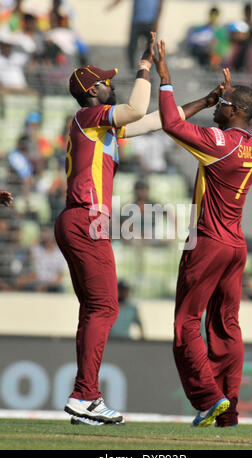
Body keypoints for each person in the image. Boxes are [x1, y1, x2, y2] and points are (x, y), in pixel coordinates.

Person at [152, 39, 252, 427]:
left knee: (186, 323)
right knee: (227, 325)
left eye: (223, 104)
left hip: (209, 243)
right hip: (236, 246)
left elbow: (171, 124)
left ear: (235, 110)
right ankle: (228, 410)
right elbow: (217, 135)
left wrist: (166, 79)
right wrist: (212, 96)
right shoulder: (251, 147)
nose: (218, 106)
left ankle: (207, 398)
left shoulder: (221, 145)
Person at [54, 32, 156, 426]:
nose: (111, 84)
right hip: (85, 216)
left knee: (93, 309)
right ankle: (85, 396)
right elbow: (134, 108)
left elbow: (156, 121)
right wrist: (144, 68)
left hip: (76, 218)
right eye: (106, 80)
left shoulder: (99, 127)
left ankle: (87, 398)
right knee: (106, 307)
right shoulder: (89, 116)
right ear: (93, 90)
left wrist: (200, 102)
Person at [107, 0, 164, 71]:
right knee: (132, 47)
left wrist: (157, 21)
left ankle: (150, 70)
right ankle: (131, 68)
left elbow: (161, 4)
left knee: (151, 47)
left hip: (150, 22)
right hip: (136, 21)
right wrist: (113, 5)